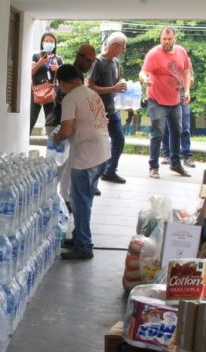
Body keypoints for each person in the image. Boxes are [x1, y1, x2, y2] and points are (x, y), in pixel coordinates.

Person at [52, 64, 110, 260]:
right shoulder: (91, 94)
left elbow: (66, 131)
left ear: (61, 83)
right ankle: (79, 237)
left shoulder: (70, 98)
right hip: (101, 153)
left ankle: (84, 246)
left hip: (86, 158)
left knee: (80, 203)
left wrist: (57, 138)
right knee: (85, 200)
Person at [45, 44, 98, 210]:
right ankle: (49, 198)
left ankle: (64, 198)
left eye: (93, 62)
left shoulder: (79, 76)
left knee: (68, 166)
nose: (91, 65)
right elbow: (68, 106)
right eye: (89, 61)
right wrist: (61, 134)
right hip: (58, 125)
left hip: (69, 126)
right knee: (58, 166)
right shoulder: (68, 73)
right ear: (80, 56)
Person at [139, 26, 191, 179]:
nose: (166, 42)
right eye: (163, 39)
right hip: (156, 100)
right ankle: (153, 167)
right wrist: (145, 79)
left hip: (175, 100)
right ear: (160, 38)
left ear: (175, 38)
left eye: (169, 39)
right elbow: (142, 72)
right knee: (158, 133)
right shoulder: (154, 54)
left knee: (177, 131)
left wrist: (187, 91)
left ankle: (176, 163)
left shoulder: (181, 52)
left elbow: (186, 73)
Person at [87, 32, 128, 184]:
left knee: (119, 140)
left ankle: (110, 171)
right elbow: (89, 86)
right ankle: (93, 179)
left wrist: (120, 86)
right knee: (98, 146)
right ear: (115, 46)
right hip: (97, 111)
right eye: (123, 47)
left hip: (111, 109)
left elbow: (115, 84)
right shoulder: (98, 62)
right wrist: (112, 89)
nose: (124, 50)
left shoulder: (116, 62)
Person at [161, 61, 195, 168]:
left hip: (181, 98)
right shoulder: (163, 58)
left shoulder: (186, 60)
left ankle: (187, 156)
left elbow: (191, 79)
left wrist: (186, 83)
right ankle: (167, 155)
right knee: (166, 128)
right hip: (166, 98)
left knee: (185, 128)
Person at [30, 33, 64, 134]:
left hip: (52, 92)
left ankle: (52, 146)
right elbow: (30, 72)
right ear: (42, 43)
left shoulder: (58, 59)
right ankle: (24, 143)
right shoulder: (36, 56)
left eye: (51, 41)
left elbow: (63, 79)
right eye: (47, 41)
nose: (49, 43)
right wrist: (40, 62)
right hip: (37, 91)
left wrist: (58, 69)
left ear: (55, 44)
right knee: (31, 119)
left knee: (51, 122)